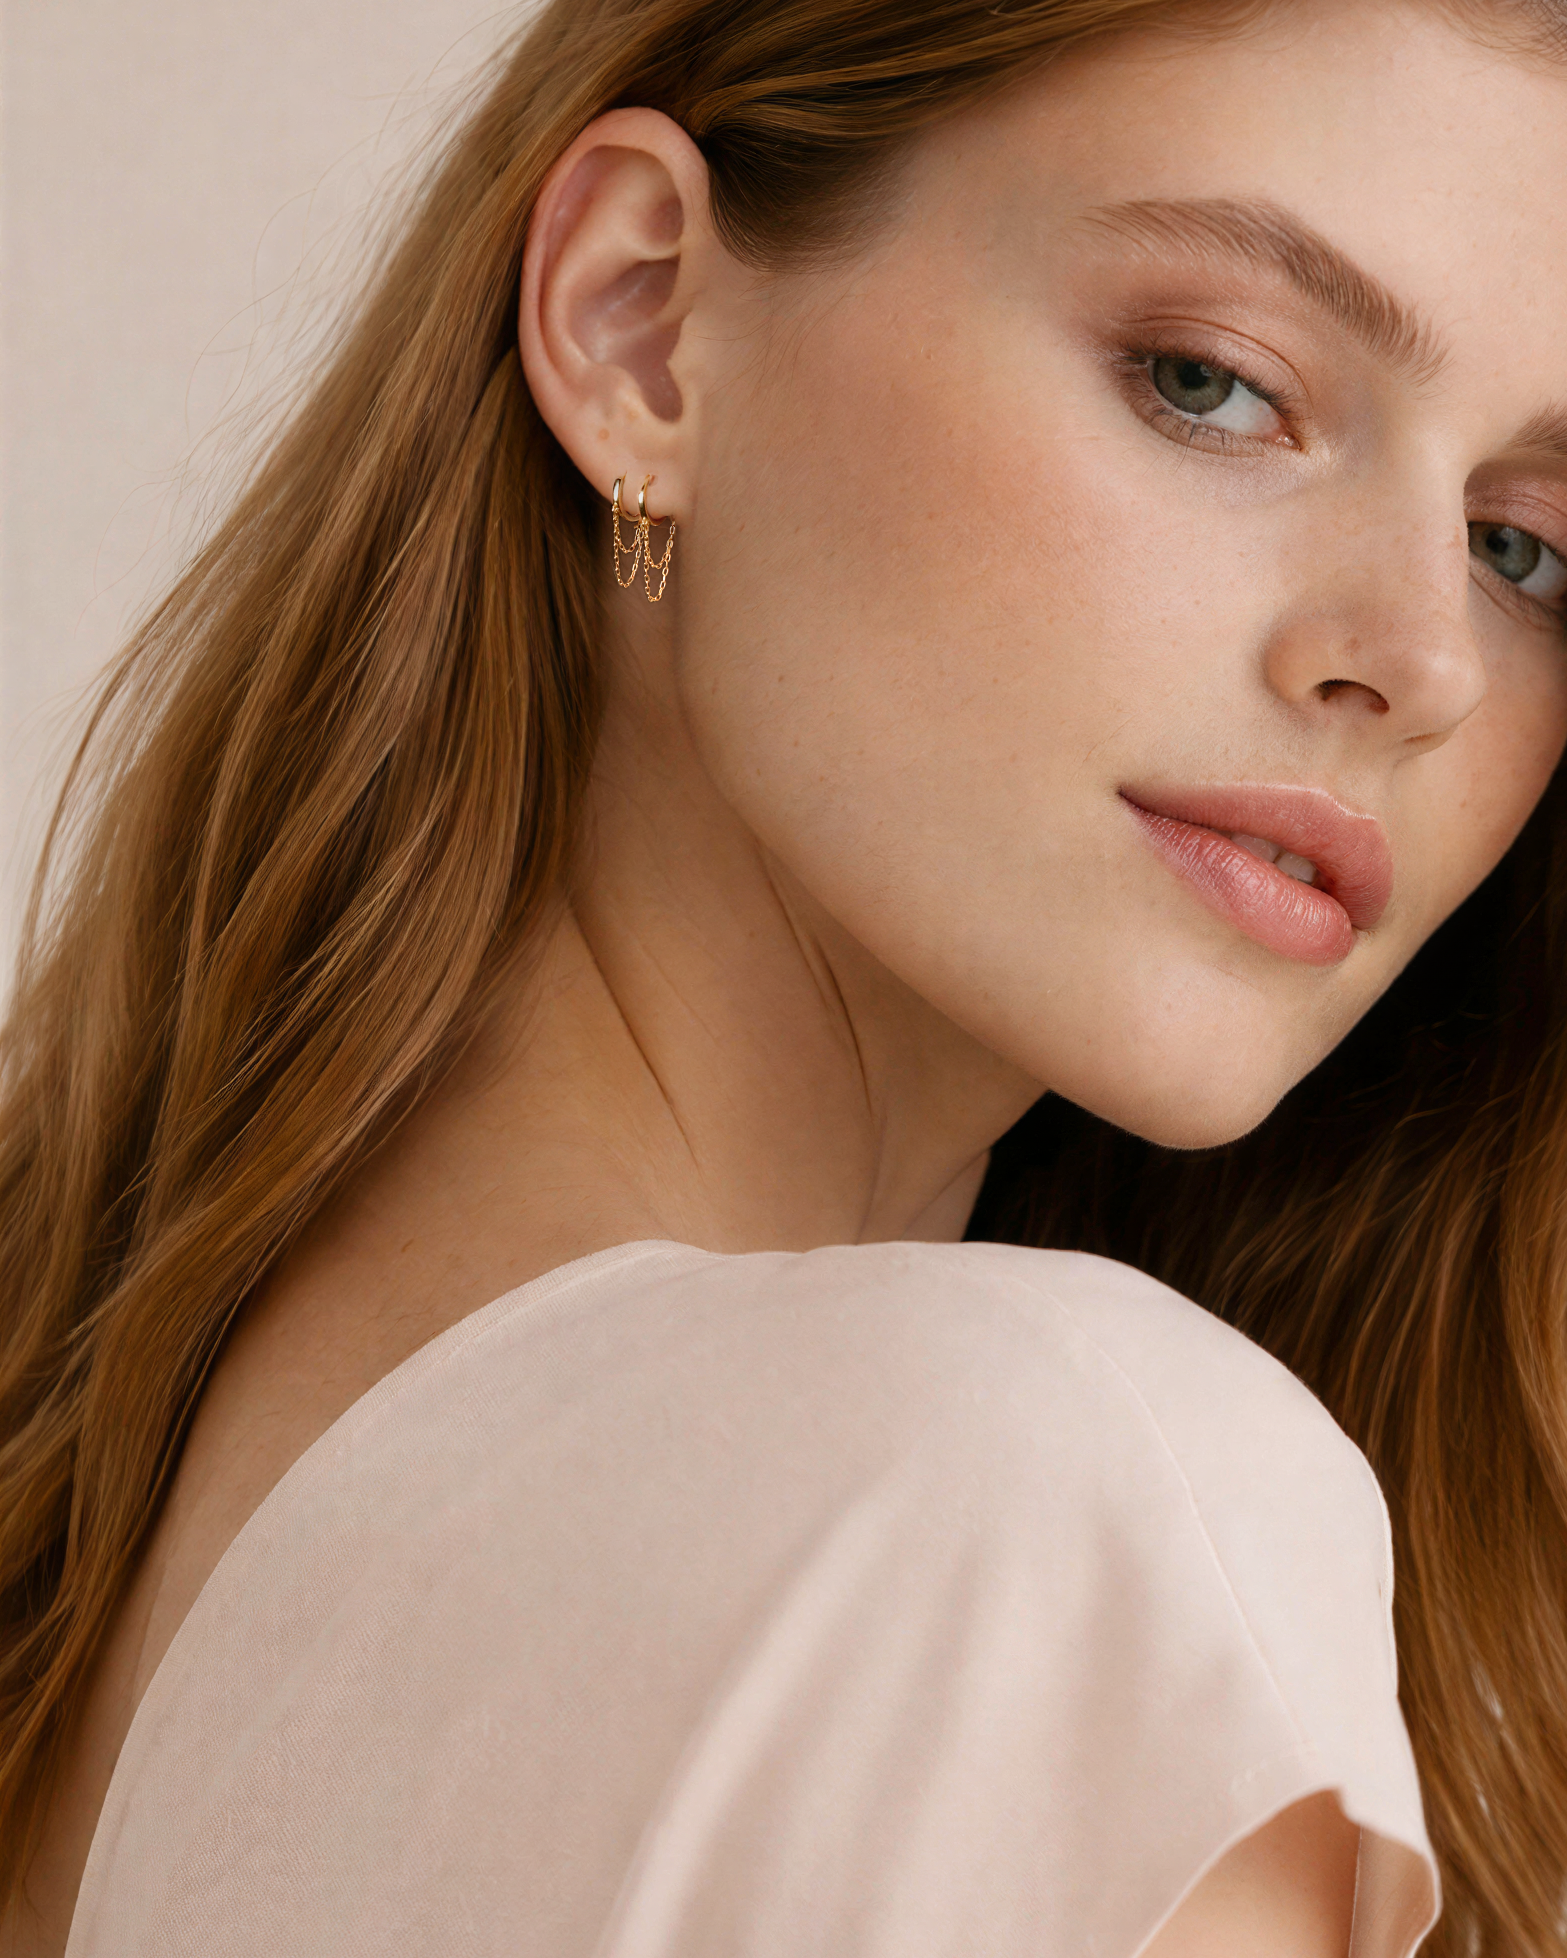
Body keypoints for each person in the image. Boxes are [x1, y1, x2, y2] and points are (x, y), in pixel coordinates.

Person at [4, 0, 1567, 1948]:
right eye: (1213, 380)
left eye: (1525, 549)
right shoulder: (1048, 1524)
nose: (1418, 655)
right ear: (639, 319)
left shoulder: (116, 1553)